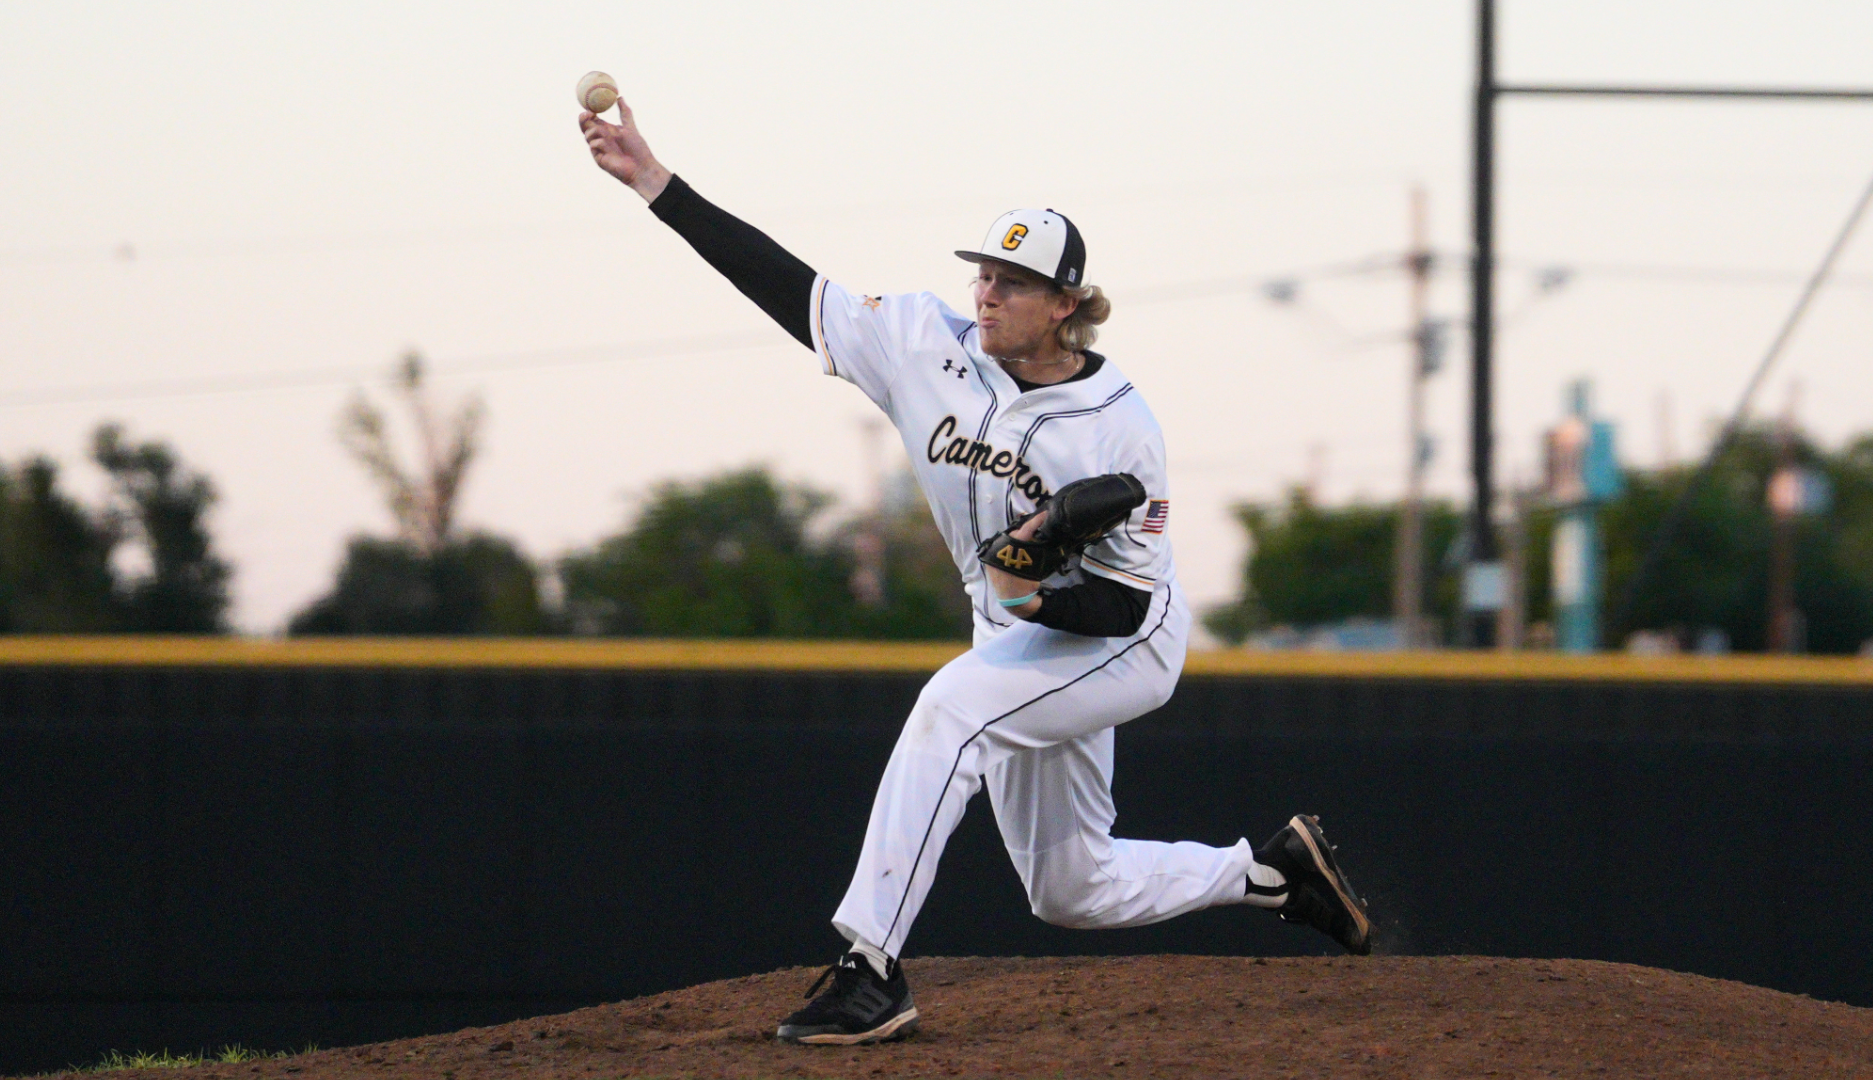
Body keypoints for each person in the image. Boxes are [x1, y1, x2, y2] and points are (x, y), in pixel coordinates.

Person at [580, 96, 1372, 1046]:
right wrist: (655, 183)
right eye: (985, 273)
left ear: (1066, 305)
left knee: (950, 710)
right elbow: (790, 288)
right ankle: (1274, 873)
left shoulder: (1120, 426)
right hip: (1015, 626)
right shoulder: (925, 344)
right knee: (1071, 889)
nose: (988, 294)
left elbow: (1122, 607)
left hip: (1120, 640)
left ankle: (870, 969)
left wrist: (1027, 589)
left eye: (1015, 282)